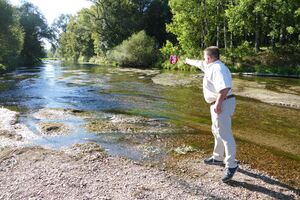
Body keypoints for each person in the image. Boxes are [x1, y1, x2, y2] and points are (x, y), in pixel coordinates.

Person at [184, 46, 238, 182]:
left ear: (209, 58)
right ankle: (217, 157)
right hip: (218, 103)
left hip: (223, 103)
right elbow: (199, 63)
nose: (203, 60)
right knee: (216, 131)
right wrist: (187, 60)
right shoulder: (210, 66)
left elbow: (225, 87)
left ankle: (231, 165)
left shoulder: (217, 69)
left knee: (225, 134)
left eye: (204, 57)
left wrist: (218, 104)